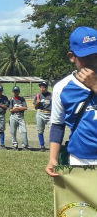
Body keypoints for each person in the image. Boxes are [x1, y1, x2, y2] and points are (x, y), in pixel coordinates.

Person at [46, 26, 97, 175]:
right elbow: (57, 125)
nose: (93, 61)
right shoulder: (62, 88)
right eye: (86, 56)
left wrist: (94, 85)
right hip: (80, 161)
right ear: (72, 57)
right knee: (84, 200)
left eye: (96, 55)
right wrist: (52, 158)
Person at [9, 86, 29, 150]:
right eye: (15, 91)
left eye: (17, 91)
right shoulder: (11, 99)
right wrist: (19, 108)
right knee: (13, 132)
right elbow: (10, 110)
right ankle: (15, 145)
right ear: (13, 92)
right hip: (13, 117)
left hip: (21, 117)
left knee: (24, 131)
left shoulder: (22, 99)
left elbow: (25, 107)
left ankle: (25, 146)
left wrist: (17, 108)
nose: (16, 93)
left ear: (19, 92)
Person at [34, 81, 51, 151]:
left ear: (46, 87)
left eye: (43, 87)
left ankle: (52, 146)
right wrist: (37, 103)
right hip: (40, 113)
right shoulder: (38, 95)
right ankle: (42, 146)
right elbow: (35, 107)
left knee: (53, 130)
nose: (42, 88)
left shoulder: (51, 95)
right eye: (41, 87)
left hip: (50, 114)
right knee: (40, 130)